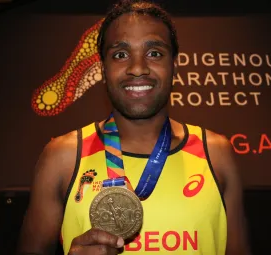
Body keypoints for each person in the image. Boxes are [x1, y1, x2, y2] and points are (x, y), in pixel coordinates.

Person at [17, 0, 250, 254]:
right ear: (103, 70)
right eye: (120, 54)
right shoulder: (62, 157)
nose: (138, 68)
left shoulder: (216, 154)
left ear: (175, 66)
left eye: (154, 53)